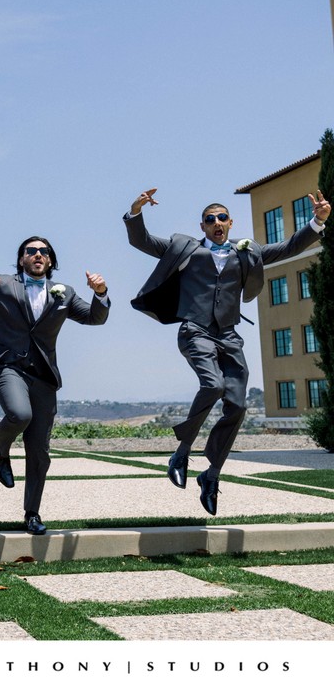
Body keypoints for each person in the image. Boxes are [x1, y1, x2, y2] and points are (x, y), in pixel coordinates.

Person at [125, 188, 329, 514]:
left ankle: (211, 475)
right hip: (195, 331)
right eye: (210, 219)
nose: (216, 223)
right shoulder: (186, 248)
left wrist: (317, 222)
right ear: (203, 226)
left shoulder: (247, 253)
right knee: (212, 385)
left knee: (237, 405)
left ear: (230, 223)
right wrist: (136, 212)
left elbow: (290, 247)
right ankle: (182, 452)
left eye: (222, 218)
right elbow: (144, 241)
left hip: (230, 337)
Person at [0, 237, 109, 535]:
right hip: (6, 365)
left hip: (43, 376)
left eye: (44, 252)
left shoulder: (65, 293)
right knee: (19, 414)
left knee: (39, 451)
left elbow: (94, 318)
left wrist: (101, 293)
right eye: (31, 251)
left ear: (50, 260)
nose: (38, 255)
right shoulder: (1, 284)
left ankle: (32, 514)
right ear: (22, 258)